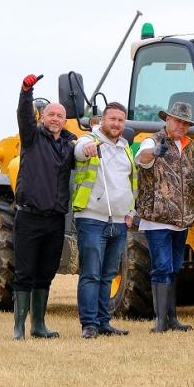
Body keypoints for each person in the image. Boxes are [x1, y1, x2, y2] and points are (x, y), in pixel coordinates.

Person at [12, 74, 77, 340]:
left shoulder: (69, 146)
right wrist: (26, 91)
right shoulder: (31, 138)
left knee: (46, 273)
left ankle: (38, 325)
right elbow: (23, 117)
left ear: (64, 121)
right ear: (42, 117)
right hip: (29, 217)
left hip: (55, 219)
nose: (55, 118)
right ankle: (18, 328)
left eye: (59, 115)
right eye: (50, 114)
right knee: (24, 272)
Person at [72, 102, 136, 339]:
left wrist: (130, 211)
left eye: (121, 120)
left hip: (119, 220)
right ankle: (88, 324)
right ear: (101, 120)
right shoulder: (90, 139)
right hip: (92, 217)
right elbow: (80, 149)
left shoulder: (125, 147)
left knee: (108, 273)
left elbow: (130, 181)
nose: (116, 124)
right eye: (112, 119)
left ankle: (103, 321)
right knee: (91, 273)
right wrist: (87, 148)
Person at [134, 100, 194, 333]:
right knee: (161, 267)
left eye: (186, 122)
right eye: (178, 120)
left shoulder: (190, 146)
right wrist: (154, 153)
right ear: (167, 120)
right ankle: (160, 320)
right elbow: (142, 159)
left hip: (181, 219)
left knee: (174, 267)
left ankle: (172, 318)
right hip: (157, 218)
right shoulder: (153, 140)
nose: (182, 125)